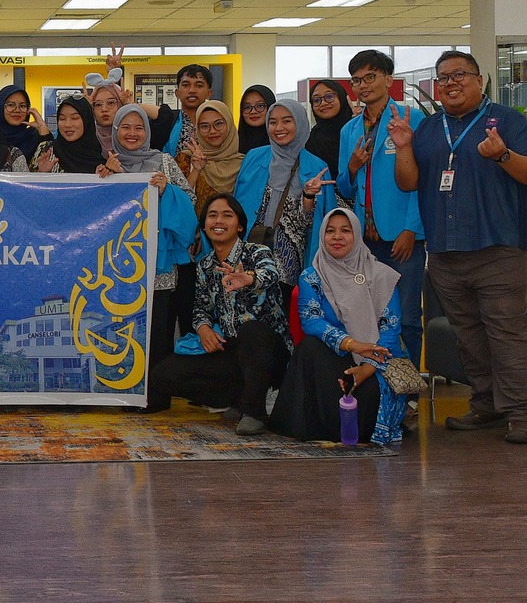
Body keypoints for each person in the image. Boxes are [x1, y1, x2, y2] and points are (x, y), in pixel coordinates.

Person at [392, 50, 527, 444]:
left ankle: (519, 414)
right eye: (442, 78)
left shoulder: (508, 121)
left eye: (459, 75)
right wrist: (404, 147)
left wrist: (503, 155)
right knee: (470, 336)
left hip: (498, 247)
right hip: (445, 253)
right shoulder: (428, 128)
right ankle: (486, 406)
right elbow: (408, 182)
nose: (450, 83)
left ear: (479, 80)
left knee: (507, 333)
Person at [145, 193, 289, 435]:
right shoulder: (205, 265)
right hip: (231, 349)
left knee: (251, 331)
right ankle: (240, 397)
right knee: (163, 375)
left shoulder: (257, 251)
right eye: (212, 215)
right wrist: (203, 329)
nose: (218, 221)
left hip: (268, 351)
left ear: (240, 225)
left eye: (227, 215)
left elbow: (271, 274)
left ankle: (255, 411)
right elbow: (201, 308)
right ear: (204, 226)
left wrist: (249, 278)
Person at [277, 207, 408, 445]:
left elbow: (390, 331)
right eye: (330, 231)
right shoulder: (312, 276)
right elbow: (311, 321)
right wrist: (354, 345)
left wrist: (366, 369)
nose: (337, 237)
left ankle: (348, 428)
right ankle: (318, 426)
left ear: (357, 235)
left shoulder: (382, 276)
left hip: (377, 362)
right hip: (337, 356)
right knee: (309, 346)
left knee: (366, 397)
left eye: (345, 231)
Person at [340, 50, 427, 364]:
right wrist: (351, 168)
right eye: (357, 80)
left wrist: (412, 229)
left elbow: (422, 181)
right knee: (371, 317)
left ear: (389, 79)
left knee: (406, 318)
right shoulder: (349, 130)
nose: (363, 86)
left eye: (370, 77)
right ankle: (379, 384)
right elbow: (345, 188)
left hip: (402, 237)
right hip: (366, 240)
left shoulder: (410, 119)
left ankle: (408, 385)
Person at [104, 104, 197, 366]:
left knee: (158, 332)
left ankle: (156, 394)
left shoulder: (164, 163)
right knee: (123, 330)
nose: (132, 133)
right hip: (121, 268)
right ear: (115, 130)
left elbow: (190, 201)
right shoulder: (109, 167)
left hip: (160, 268)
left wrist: (167, 192)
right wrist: (111, 181)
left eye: (139, 127)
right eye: (125, 127)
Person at [234, 99, 334, 276]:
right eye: (273, 122)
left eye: (287, 121)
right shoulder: (254, 158)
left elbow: (316, 224)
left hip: (289, 263)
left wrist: (309, 196)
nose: (279, 127)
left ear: (301, 123)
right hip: (249, 256)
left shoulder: (317, 167)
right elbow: (237, 208)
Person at [184, 98, 244, 203]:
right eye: (204, 126)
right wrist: (196, 170)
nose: (212, 131)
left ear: (229, 124)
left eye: (219, 124)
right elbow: (178, 202)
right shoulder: (184, 160)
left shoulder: (245, 164)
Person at [304, 78, 353, 181]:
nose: (323, 103)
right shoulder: (311, 140)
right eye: (316, 100)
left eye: (329, 97)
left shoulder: (356, 132)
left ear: (341, 98)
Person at [40, 94, 103, 174]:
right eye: (62, 119)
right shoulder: (47, 151)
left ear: (87, 121)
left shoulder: (101, 159)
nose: (67, 124)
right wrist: (42, 174)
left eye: (75, 118)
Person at [0, 86, 45, 163]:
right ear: (0, 107)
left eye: (22, 106)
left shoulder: (35, 137)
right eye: (11, 105)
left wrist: (42, 127)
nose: (17, 110)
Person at [236, 83, 273, 152]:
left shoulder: (282, 145)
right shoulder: (233, 146)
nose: (253, 111)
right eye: (247, 107)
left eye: (260, 106)